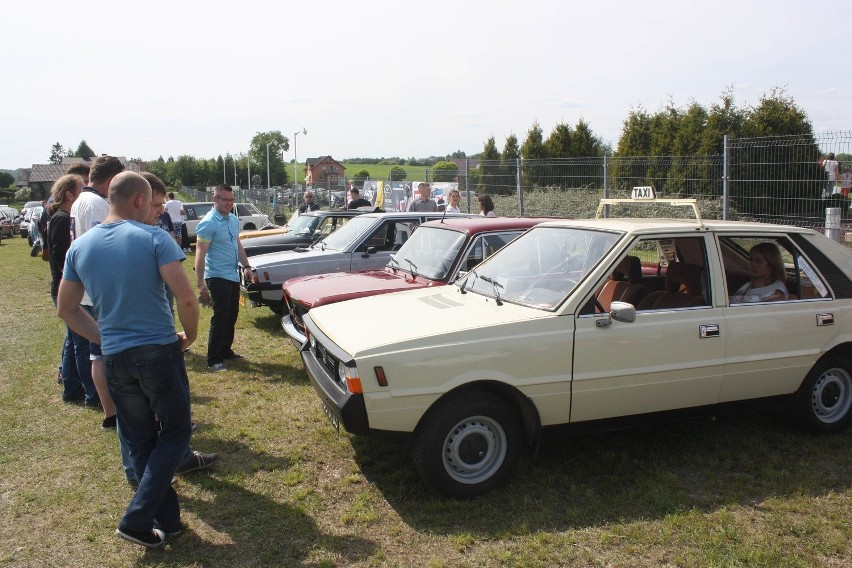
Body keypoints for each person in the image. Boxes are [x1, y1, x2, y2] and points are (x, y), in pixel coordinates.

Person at [57, 171, 199, 548]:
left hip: (115, 357)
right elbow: (185, 298)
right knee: (176, 431)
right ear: (140, 199)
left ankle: (167, 520)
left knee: (139, 438)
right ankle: (137, 519)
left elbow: (66, 309)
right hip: (158, 352)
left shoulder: (80, 247)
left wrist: (103, 336)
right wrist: (192, 336)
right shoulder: (155, 238)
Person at [70, 155, 125, 428]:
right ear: (112, 178)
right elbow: (102, 247)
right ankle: (113, 410)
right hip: (99, 290)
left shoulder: (80, 200)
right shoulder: (95, 204)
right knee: (104, 353)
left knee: (97, 352)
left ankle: (111, 410)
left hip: (87, 286)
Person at [47, 174, 98, 406]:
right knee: (80, 342)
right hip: (66, 288)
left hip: (69, 287)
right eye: (80, 188)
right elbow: (61, 257)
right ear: (69, 194)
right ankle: (87, 392)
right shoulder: (60, 218)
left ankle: (71, 387)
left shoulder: (64, 216)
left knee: (73, 340)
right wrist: (75, 281)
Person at [196, 184, 252, 372]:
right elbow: (200, 253)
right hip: (216, 275)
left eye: (231, 199)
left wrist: (246, 266)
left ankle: (226, 350)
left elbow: (238, 244)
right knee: (221, 317)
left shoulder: (233, 220)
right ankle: (214, 359)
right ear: (215, 199)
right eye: (224, 199)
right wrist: (200, 283)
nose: (228, 203)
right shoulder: (208, 222)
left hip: (232, 275)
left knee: (232, 314)